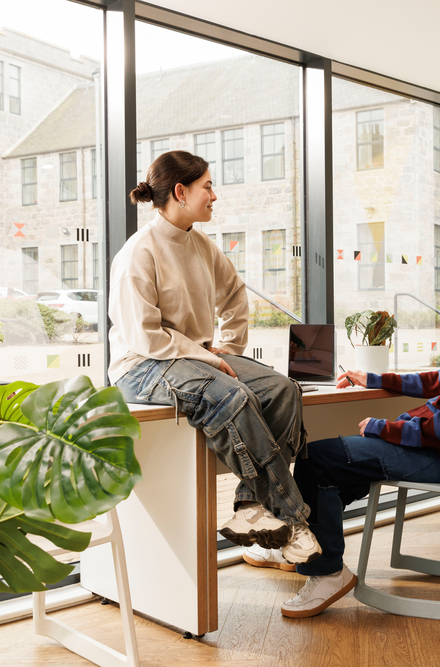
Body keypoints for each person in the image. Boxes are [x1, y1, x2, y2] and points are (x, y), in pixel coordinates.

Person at [266, 242, 440, 618]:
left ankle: (324, 570)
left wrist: (382, 428)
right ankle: (309, 545)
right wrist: (372, 378)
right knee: (333, 469)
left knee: (316, 459)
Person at [108, 150, 320, 564]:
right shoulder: (139, 252)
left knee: (282, 390)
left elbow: (235, 294)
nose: (214, 195)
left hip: (194, 357)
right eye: (208, 186)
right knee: (230, 394)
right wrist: (207, 358)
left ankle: (250, 508)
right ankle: (293, 520)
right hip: (141, 367)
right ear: (181, 192)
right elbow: (145, 337)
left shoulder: (202, 246)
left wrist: (230, 347)